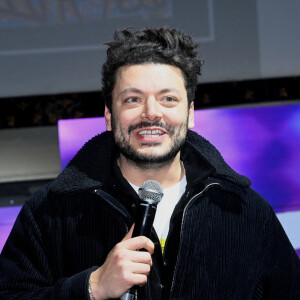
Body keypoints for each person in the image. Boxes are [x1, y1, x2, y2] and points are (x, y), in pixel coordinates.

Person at [0, 27, 299, 300]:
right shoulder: (50, 212)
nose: (151, 113)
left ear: (191, 113)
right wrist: (92, 287)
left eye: (168, 99)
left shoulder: (244, 210)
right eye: (132, 100)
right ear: (108, 115)